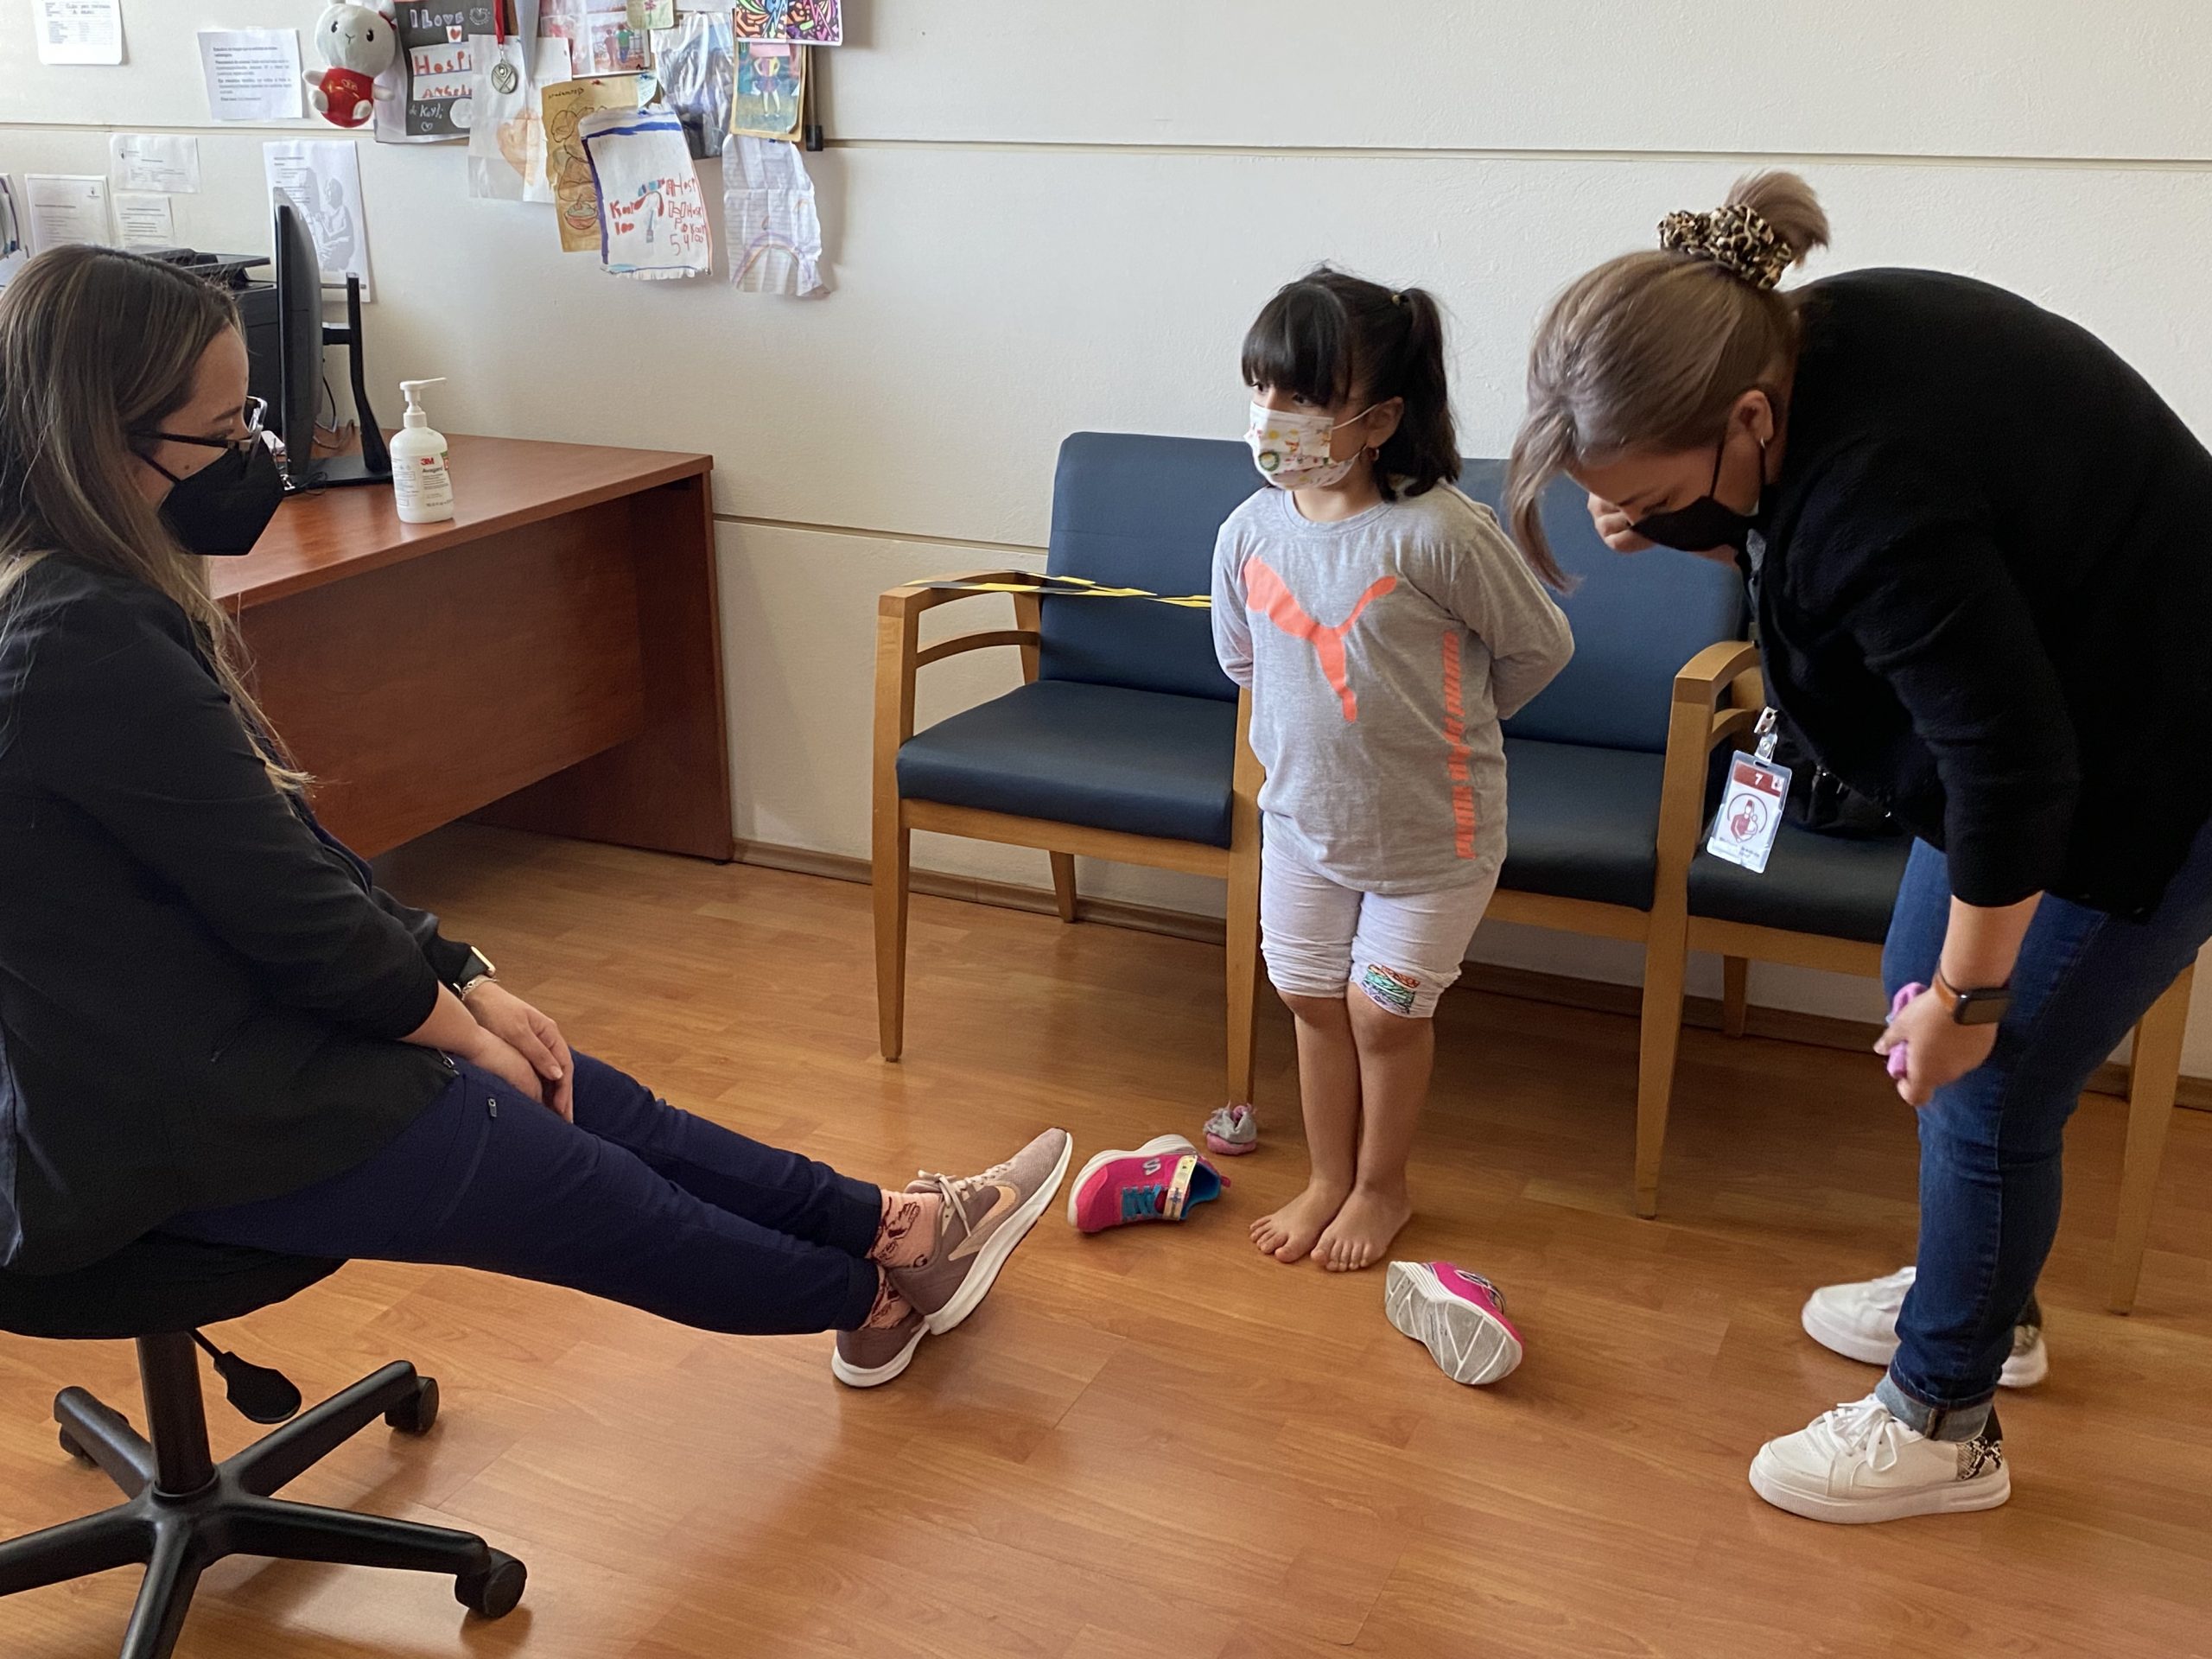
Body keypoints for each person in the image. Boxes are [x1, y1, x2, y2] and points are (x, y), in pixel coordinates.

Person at [0, 245, 1071, 1392]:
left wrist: (463, 975)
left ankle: (898, 1227)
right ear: (100, 444)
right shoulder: (74, 641)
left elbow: (289, 854)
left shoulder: (91, 602)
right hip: (165, 1129)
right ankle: (867, 1299)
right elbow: (292, 911)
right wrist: (461, 1033)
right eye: (222, 438)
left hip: (229, 1035)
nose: (257, 456)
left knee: (597, 1096)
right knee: (599, 1195)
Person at [1508, 172, 2212, 1522]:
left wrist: (1972, 999)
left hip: (2158, 757)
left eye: (1654, 495)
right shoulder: (1789, 333)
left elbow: (2014, 774)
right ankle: (1986, 1299)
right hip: (2061, 706)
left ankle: (1946, 1419)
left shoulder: (1874, 496)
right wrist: (1653, 497)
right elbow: (1979, 713)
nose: (1645, 523)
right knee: (1922, 1016)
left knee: (1990, 1081)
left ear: (1749, 419)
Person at [1214, 268, 1573, 1272]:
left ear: (1375, 420)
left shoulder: (1443, 532)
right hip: (1301, 827)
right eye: (1260, 390)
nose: (1270, 417)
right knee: (1313, 1002)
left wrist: (1443, 726)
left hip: (1433, 838)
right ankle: (1328, 1175)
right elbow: (1248, 665)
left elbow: (1540, 648)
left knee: (1382, 1012)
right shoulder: (1247, 532)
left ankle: (1382, 1186)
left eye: (1303, 398)